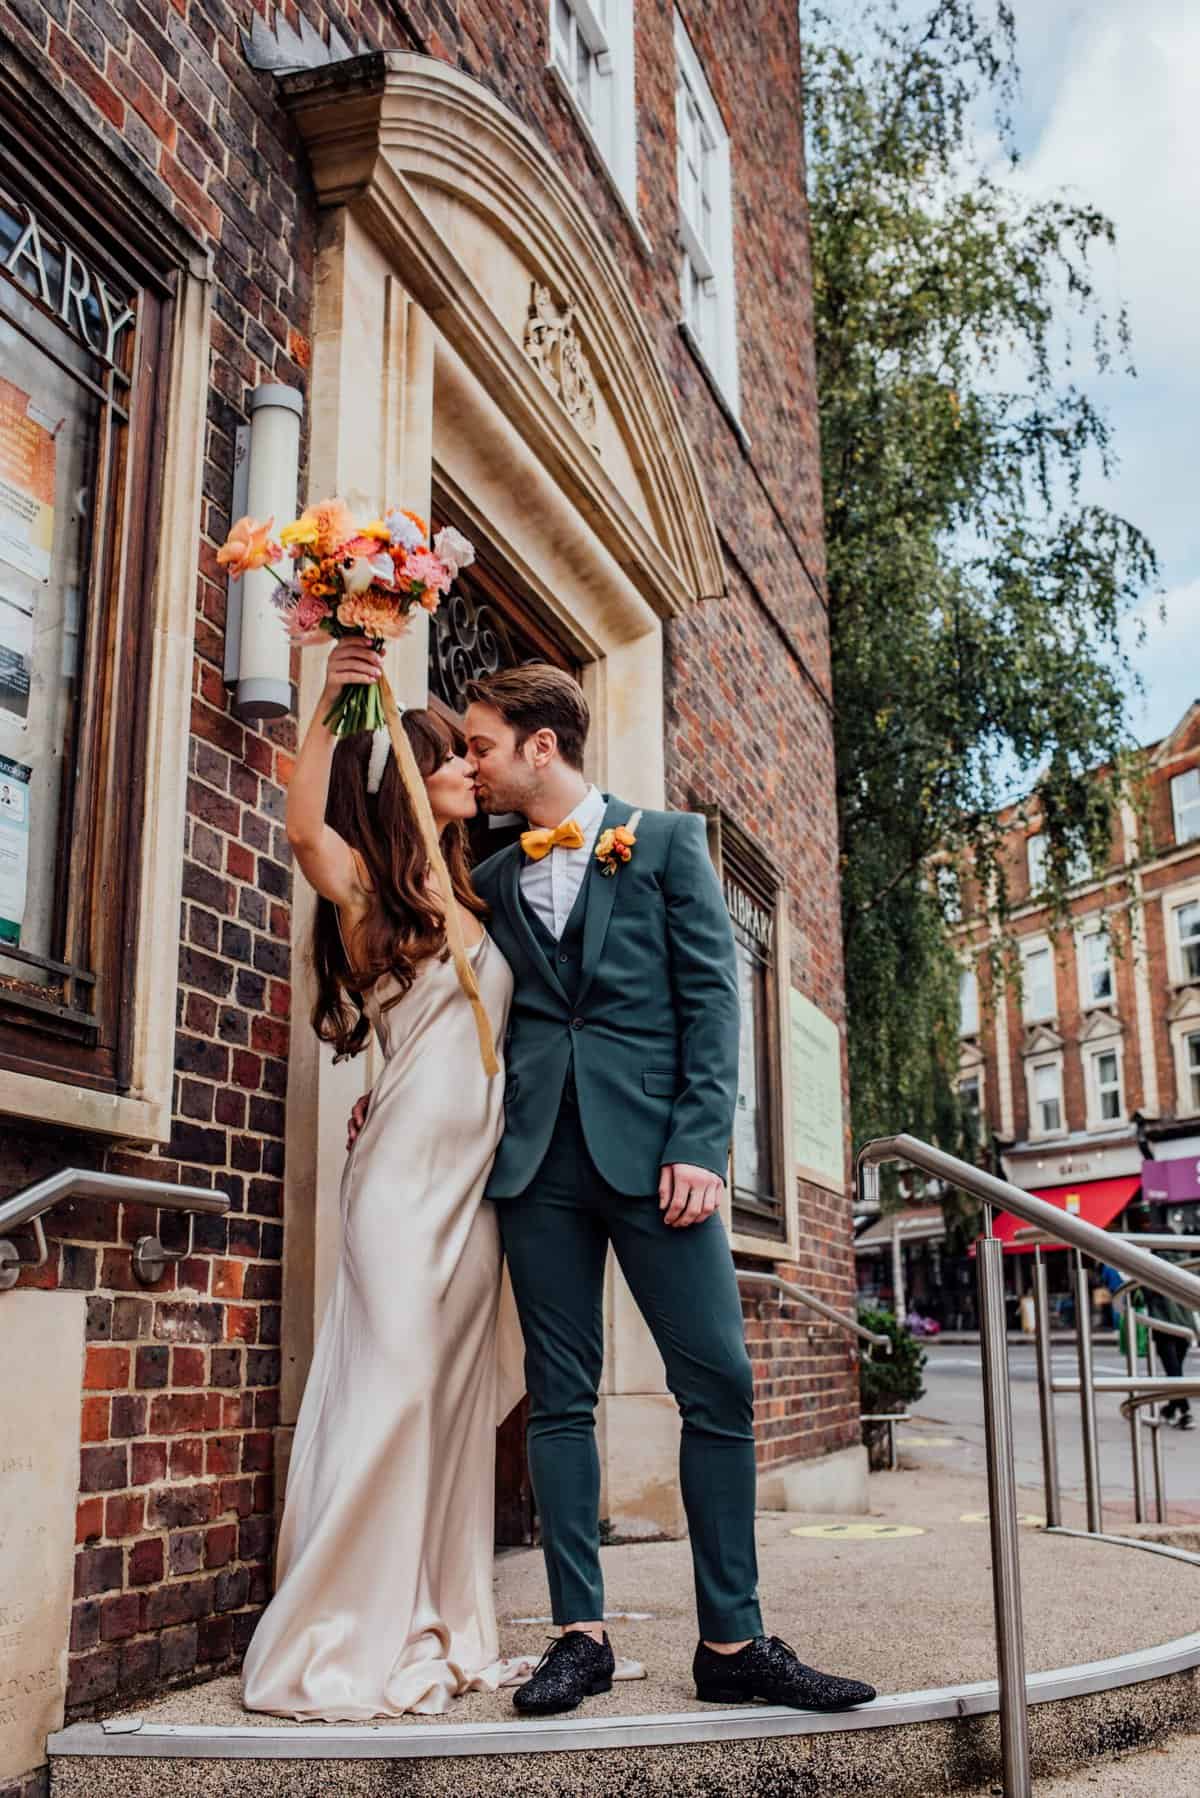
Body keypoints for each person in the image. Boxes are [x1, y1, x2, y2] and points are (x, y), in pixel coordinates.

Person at [455, 663, 876, 1717]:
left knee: (718, 1381)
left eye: (481, 746)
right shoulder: (494, 876)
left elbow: (714, 1002)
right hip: (536, 1161)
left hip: (660, 1162)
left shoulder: (670, 842)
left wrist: (701, 1142)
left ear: (541, 745)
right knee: (558, 1395)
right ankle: (578, 1636)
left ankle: (732, 1640)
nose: (472, 763)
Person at [241, 638, 530, 1719]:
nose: (471, 770)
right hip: (402, 1188)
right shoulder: (368, 897)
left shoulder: (470, 896)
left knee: (451, 1409)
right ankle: (344, 1626)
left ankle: (440, 1615)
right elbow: (305, 825)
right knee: (396, 1390)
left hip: (475, 1191)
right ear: (409, 784)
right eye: (453, 758)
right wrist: (330, 698)